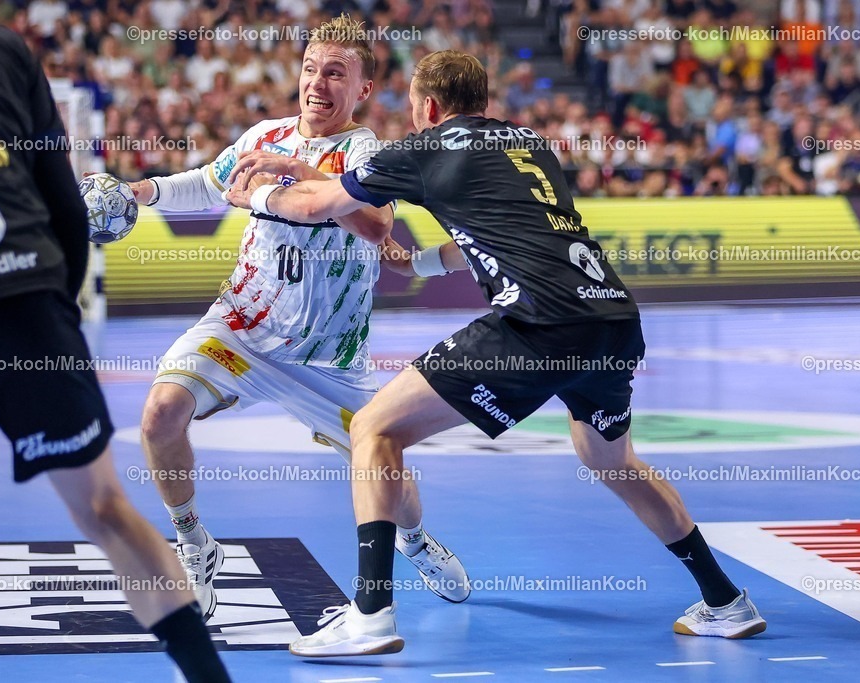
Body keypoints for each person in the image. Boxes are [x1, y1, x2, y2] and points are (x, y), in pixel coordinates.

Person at [226, 49, 767, 657]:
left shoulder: (423, 150)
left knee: (375, 429)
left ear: (427, 106)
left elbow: (319, 206)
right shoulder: (528, 144)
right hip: (610, 318)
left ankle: (371, 615)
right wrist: (421, 262)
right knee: (611, 460)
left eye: (411, 107)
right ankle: (726, 602)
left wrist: (259, 194)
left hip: (539, 325)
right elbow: (506, 232)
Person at [0, 1, 229, 680]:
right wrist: (55, 315)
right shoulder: (2, 44)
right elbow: (63, 198)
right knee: (103, 506)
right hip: (24, 290)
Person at [128, 15, 469, 621]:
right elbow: (207, 184)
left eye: (335, 72)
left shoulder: (365, 151)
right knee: (159, 415)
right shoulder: (266, 133)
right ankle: (193, 542)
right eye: (311, 68)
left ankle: (416, 542)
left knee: (386, 466)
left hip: (329, 360)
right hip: (241, 332)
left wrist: (301, 178)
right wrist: (143, 192)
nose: (318, 82)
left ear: (362, 88)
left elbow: (375, 225)